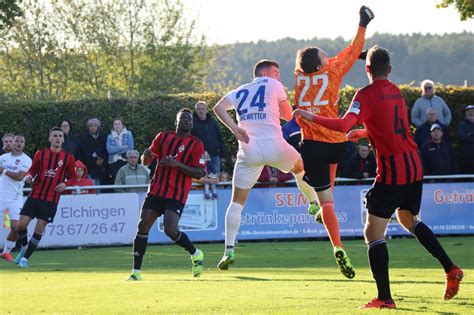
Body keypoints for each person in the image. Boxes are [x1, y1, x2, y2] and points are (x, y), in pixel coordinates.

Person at [294, 46, 463, 308]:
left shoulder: (365, 95)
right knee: (408, 219)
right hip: (414, 164)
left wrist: (309, 115)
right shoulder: (396, 90)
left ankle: (384, 298)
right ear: (390, 70)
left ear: (367, 69)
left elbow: (342, 125)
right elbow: (390, 126)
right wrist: (365, 133)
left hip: (393, 169)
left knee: (373, 233)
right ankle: (451, 268)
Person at [213, 59, 319, 271]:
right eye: (276, 72)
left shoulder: (240, 90)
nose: (279, 76)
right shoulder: (274, 85)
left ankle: (229, 251)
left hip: (248, 149)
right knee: (300, 167)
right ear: (266, 73)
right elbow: (289, 115)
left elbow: (218, 108)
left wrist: (236, 129)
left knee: (236, 202)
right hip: (274, 145)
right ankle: (313, 202)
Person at [292, 6, 374, 278]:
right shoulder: (333, 73)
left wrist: (342, 56)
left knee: (326, 202)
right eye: (325, 56)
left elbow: (331, 59)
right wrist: (362, 24)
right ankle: (329, 223)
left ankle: (337, 246)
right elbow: (350, 51)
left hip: (312, 146)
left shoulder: (299, 77)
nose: (330, 58)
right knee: (330, 189)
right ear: (320, 65)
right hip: (337, 143)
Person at [127, 109, 206, 281]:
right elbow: (146, 160)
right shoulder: (162, 137)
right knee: (142, 227)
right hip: (156, 190)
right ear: (176, 122)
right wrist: (145, 156)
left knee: (170, 230)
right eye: (182, 118)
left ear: (191, 123)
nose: (186, 120)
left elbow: (199, 173)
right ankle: (136, 273)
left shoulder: (196, 144)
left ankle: (196, 253)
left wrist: (176, 164)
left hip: (176, 193)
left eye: (189, 119)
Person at [14, 127, 77, 268]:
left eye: (60, 136)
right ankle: (24, 248)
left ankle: (25, 259)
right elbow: (32, 170)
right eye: (54, 135)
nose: (57, 138)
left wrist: (65, 184)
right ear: (50, 138)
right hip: (35, 195)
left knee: (39, 228)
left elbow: (73, 177)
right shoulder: (41, 154)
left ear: (63, 139)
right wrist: (29, 176)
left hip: (51, 199)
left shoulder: (68, 157)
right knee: (21, 225)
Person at [0, 135, 32, 261]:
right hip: (1, 196)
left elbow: (19, 176)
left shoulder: (26, 159)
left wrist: (4, 171)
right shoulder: (4, 157)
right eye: (16, 141)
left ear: (24, 144)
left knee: (16, 227)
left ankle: (6, 251)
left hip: (15, 199)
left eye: (21, 141)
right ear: (12, 144)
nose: (18, 143)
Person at [192, 101, 227, 199]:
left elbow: (220, 139)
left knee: (215, 176)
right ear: (196, 110)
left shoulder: (212, 122)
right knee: (204, 176)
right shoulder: (193, 124)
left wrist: (223, 155)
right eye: (199, 109)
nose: (201, 111)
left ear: (206, 110)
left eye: (203, 109)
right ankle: (206, 194)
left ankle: (216, 194)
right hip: (201, 156)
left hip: (215, 155)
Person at [78, 118, 108, 186]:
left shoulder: (103, 138)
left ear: (98, 127)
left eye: (95, 126)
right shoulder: (84, 139)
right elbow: (84, 153)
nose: (93, 128)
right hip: (90, 168)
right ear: (88, 128)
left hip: (102, 169)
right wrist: (94, 161)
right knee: (92, 188)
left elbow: (106, 151)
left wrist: (103, 159)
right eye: (91, 126)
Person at [106, 118, 134, 183]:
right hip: (113, 162)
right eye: (115, 124)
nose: (117, 126)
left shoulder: (128, 134)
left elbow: (130, 148)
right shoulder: (110, 137)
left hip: (125, 160)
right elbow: (110, 150)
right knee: (115, 180)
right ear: (113, 126)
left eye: (119, 124)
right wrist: (121, 148)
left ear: (122, 125)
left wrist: (116, 150)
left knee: (126, 180)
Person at [456, 105, 474, 174]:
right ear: (466, 113)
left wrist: (470, 134)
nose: (471, 113)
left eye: (473, 111)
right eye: (469, 112)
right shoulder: (462, 125)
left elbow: (467, 137)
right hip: (466, 159)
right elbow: (462, 137)